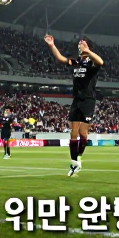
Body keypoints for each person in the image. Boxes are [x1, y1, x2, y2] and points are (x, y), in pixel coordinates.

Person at [44, 35, 103, 177]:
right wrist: (52, 45)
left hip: (88, 100)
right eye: (80, 43)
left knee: (83, 134)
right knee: (73, 132)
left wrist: (88, 52)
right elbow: (61, 58)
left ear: (87, 47)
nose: (80, 44)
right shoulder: (76, 62)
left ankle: (79, 158)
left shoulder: (92, 63)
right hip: (77, 100)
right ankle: (74, 162)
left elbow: (101, 62)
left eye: (83, 43)